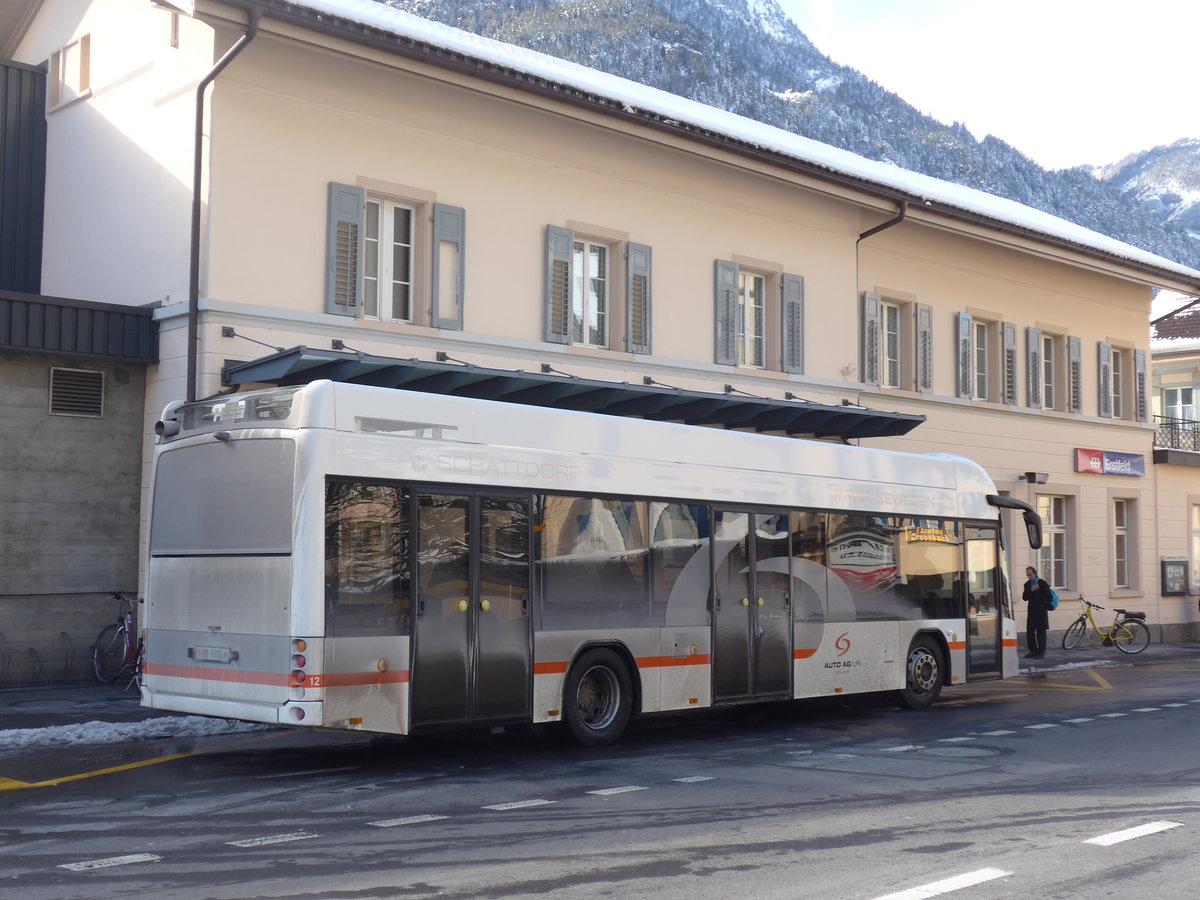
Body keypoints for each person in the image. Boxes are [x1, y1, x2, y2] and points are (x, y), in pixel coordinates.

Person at [1022, 566, 1052, 658]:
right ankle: (1033, 651)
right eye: (1028, 575)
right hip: (1031, 611)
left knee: (1041, 633)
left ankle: (1041, 652)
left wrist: (1043, 605)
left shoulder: (1042, 583)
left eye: (1031, 575)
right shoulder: (1027, 584)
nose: (1029, 577)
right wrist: (1031, 590)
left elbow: (1049, 597)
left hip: (1041, 612)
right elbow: (1024, 597)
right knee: (1030, 632)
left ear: (1035, 574)